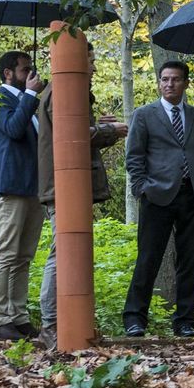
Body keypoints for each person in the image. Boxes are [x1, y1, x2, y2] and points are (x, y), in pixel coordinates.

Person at [121, 61, 194, 338]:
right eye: (165, 79)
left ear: (186, 83)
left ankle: (185, 321)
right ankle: (134, 318)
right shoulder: (145, 115)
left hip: (191, 196)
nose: (169, 84)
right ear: (159, 83)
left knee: (189, 262)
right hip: (156, 195)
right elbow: (134, 156)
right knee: (149, 258)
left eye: (175, 80)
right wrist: (141, 188)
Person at [36, 44, 128, 349]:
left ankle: (64, 323)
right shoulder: (60, 90)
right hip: (61, 184)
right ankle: (50, 324)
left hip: (68, 183)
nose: (94, 68)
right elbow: (73, 133)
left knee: (65, 250)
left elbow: (81, 132)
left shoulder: (66, 90)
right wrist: (112, 130)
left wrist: (102, 128)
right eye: (90, 61)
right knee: (60, 251)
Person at [0, 50, 46, 341]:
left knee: (23, 257)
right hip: (9, 187)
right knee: (6, 254)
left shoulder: (28, 103)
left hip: (33, 188)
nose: (31, 75)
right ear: (8, 73)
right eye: (25, 70)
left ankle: (18, 317)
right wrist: (30, 96)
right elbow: (13, 129)